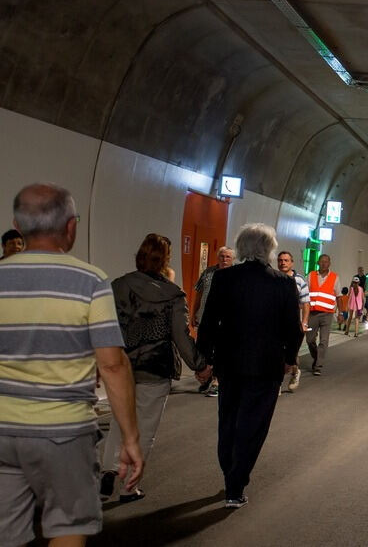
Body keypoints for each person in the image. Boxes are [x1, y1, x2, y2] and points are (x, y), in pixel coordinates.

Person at [0, 183, 143, 545]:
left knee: (6, 533)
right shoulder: (90, 281)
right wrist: (129, 438)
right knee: (68, 527)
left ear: (17, 224)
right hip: (64, 431)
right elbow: (112, 365)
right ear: (71, 227)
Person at [196, 223, 304, 509]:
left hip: (229, 364)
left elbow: (208, 322)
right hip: (267, 367)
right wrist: (289, 359)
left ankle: (228, 471)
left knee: (228, 420)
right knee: (253, 425)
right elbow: (294, 328)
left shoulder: (225, 279)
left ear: (241, 248)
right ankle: (236, 484)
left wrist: (203, 359)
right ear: (269, 249)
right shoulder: (283, 283)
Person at [100, 234, 211, 502]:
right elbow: (180, 335)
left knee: (119, 421)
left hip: (122, 366)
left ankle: (108, 470)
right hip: (156, 368)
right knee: (145, 428)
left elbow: (105, 328)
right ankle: (129, 487)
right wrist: (199, 365)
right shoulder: (173, 295)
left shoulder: (118, 286)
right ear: (165, 260)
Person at [192, 245, 234, 396]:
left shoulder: (236, 275)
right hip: (205, 317)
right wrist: (194, 313)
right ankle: (207, 377)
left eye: (228, 257)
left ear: (233, 259)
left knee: (220, 350)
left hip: (224, 321)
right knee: (204, 349)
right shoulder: (208, 272)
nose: (224, 259)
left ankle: (217, 381)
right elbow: (199, 293)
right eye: (222, 256)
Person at [277, 251, 310, 392]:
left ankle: (295, 371)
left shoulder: (300, 280)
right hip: (276, 322)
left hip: (293, 322)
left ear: (292, 262)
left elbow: (306, 303)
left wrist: (304, 322)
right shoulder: (273, 278)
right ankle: (276, 384)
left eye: (286, 260)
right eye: (280, 260)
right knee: (276, 352)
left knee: (292, 353)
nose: (283, 263)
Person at [306, 255, 339, 375]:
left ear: (329, 263)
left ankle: (318, 366)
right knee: (309, 339)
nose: (324, 264)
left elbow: (338, 296)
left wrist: (341, 312)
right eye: (322, 261)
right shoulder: (310, 276)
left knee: (324, 340)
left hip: (327, 314)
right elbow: (305, 293)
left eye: (326, 262)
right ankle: (316, 357)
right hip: (313, 313)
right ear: (318, 263)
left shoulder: (335, 277)